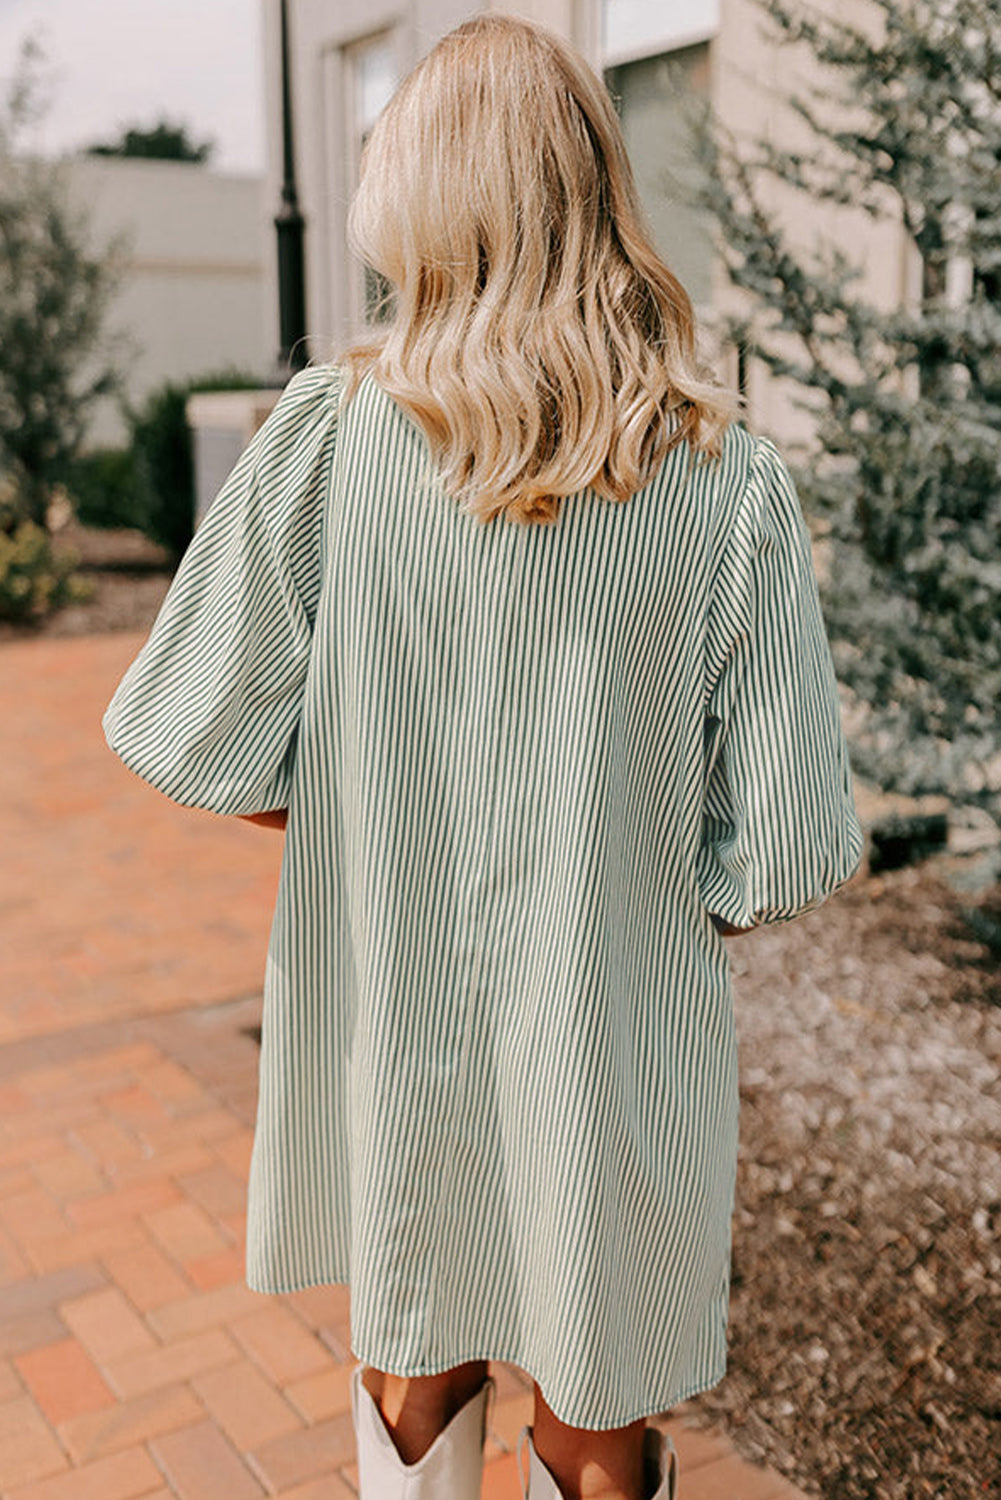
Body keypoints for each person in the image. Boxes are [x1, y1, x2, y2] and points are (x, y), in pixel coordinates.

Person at [102, 13, 863, 1500]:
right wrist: (634, 884)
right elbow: (778, 844)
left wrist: (359, 820)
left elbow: (182, 722)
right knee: (597, 1410)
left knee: (412, 1357)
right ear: (592, 192)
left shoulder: (330, 435)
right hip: (615, 1036)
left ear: (421, 196)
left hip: (390, 1010)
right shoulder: (726, 476)